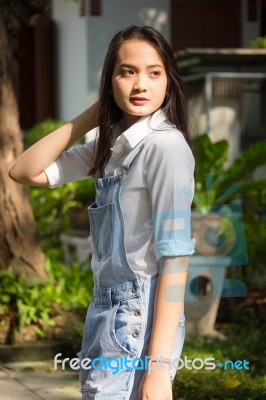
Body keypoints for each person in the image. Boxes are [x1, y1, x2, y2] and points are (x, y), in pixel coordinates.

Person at [9, 25, 195, 400]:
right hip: (106, 310)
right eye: (127, 71)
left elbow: (175, 259)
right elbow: (23, 171)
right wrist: (90, 118)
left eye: (154, 72)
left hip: (138, 315)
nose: (140, 84)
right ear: (110, 80)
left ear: (168, 82)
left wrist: (157, 371)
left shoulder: (165, 147)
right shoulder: (111, 150)